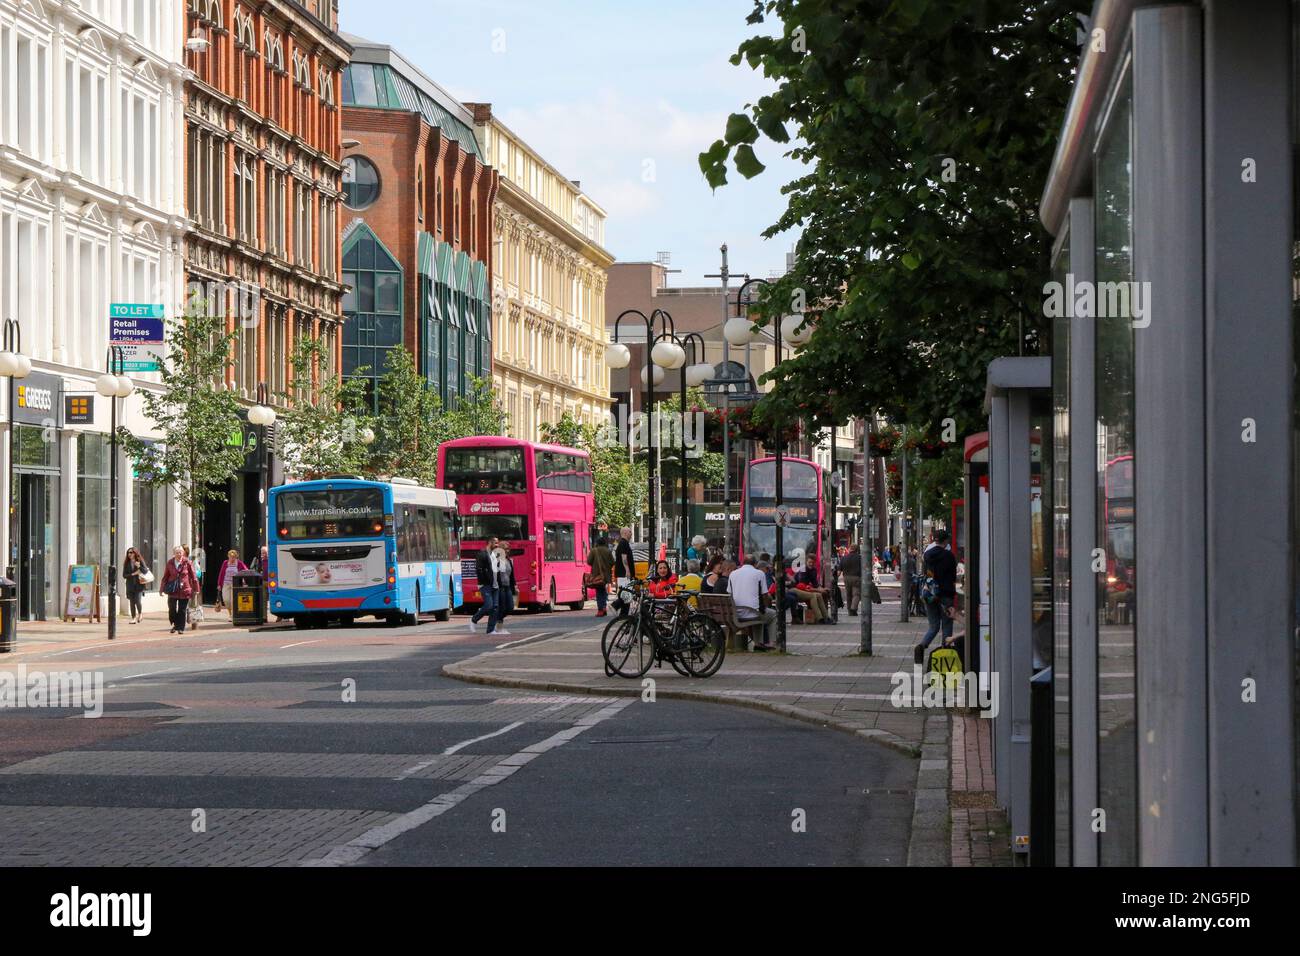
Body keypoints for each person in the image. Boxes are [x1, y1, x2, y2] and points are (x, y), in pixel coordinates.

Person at [915, 529, 959, 662]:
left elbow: (925, 573)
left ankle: (922, 646)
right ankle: (945, 654)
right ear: (945, 541)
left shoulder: (928, 554)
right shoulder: (949, 556)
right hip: (945, 594)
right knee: (947, 625)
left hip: (929, 593)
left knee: (933, 625)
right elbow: (952, 576)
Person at [728, 556, 778, 650]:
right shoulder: (759, 573)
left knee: (757, 611)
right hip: (753, 613)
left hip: (736, 614)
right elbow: (765, 594)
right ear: (755, 564)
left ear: (743, 562)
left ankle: (758, 643)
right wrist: (766, 606)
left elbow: (729, 593)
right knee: (773, 614)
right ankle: (772, 643)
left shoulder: (733, 574)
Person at [160, 545, 199, 635]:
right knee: (172, 609)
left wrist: (196, 589)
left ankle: (180, 628)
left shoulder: (187, 562)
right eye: (177, 553)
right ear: (174, 554)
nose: (179, 554)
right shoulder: (170, 563)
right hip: (173, 589)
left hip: (185, 589)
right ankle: (175, 624)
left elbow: (194, 576)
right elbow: (165, 576)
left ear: (183, 553)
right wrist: (161, 589)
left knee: (182, 610)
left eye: (180, 552)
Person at [469, 537, 500, 634]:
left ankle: (490, 630)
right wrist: (484, 580)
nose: (497, 545)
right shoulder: (482, 554)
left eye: (497, 543)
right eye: (495, 543)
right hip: (486, 584)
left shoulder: (494, 555)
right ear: (490, 543)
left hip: (495, 585)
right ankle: (474, 620)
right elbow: (479, 569)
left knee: (495, 607)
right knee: (488, 605)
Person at [492, 544, 517, 636]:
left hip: (508, 586)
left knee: (510, 607)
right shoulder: (497, 560)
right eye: (505, 549)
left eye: (508, 549)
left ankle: (496, 621)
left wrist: (515, 586)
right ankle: (499, 628)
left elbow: (512, 575)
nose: (507, 551)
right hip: (500, 586)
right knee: (501, 607)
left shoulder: (509, 560)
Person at [587, 535, 616, 617]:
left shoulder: (594, 551)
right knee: (603, 590)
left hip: (597, 575)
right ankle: (603, 607)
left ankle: (601, 609)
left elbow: (589, 562)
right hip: (606, 575)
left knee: (599, 592)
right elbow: (612, 562)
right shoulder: (608, 551)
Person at [216, 549, 247, 620]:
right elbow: (221, 574)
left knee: (234, 600)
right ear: (228, 556)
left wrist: (244, 580)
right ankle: (230, 612)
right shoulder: (225, 563)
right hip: (226, 584)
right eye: (230, 557)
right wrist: (219, 584)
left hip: (235, 584)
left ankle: (232, 615)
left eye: (233, 557)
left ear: (236, 557)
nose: (232, 558)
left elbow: (245, 570)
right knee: (226, 600)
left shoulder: (239, 563)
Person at [122, 547, 150, 624]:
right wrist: (133, 574)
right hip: (130, 585)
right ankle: (133, 618)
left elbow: (145, 571)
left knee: (137, 601)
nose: (129, 554)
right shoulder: (127, 563)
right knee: (132, 602)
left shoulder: (139, 561)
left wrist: (139, 566)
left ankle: (140, 614)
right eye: (128, 553)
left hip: (139, 585)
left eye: (131, 552)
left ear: (135, 553)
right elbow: (124, 575)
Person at [613, 527, 635, 616]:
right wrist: (627, 570)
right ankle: (615, 605)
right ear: (625, 533)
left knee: (627, 595)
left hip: (623, 574)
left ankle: (623, 615)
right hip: (624, 574)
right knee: (626, 594)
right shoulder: (623, 543)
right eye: (630, 531)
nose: (631, 533)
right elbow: (624, 558)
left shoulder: (623, 543)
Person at [841, 547, 862, 616]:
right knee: (856, 594)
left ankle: (850, 611)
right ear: (857, 550)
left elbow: (839, 569)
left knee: (848, 594)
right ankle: (853, 608)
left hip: (846, 577)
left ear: (850, 550)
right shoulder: (860, 558)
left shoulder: (844, 557)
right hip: (856, 577)